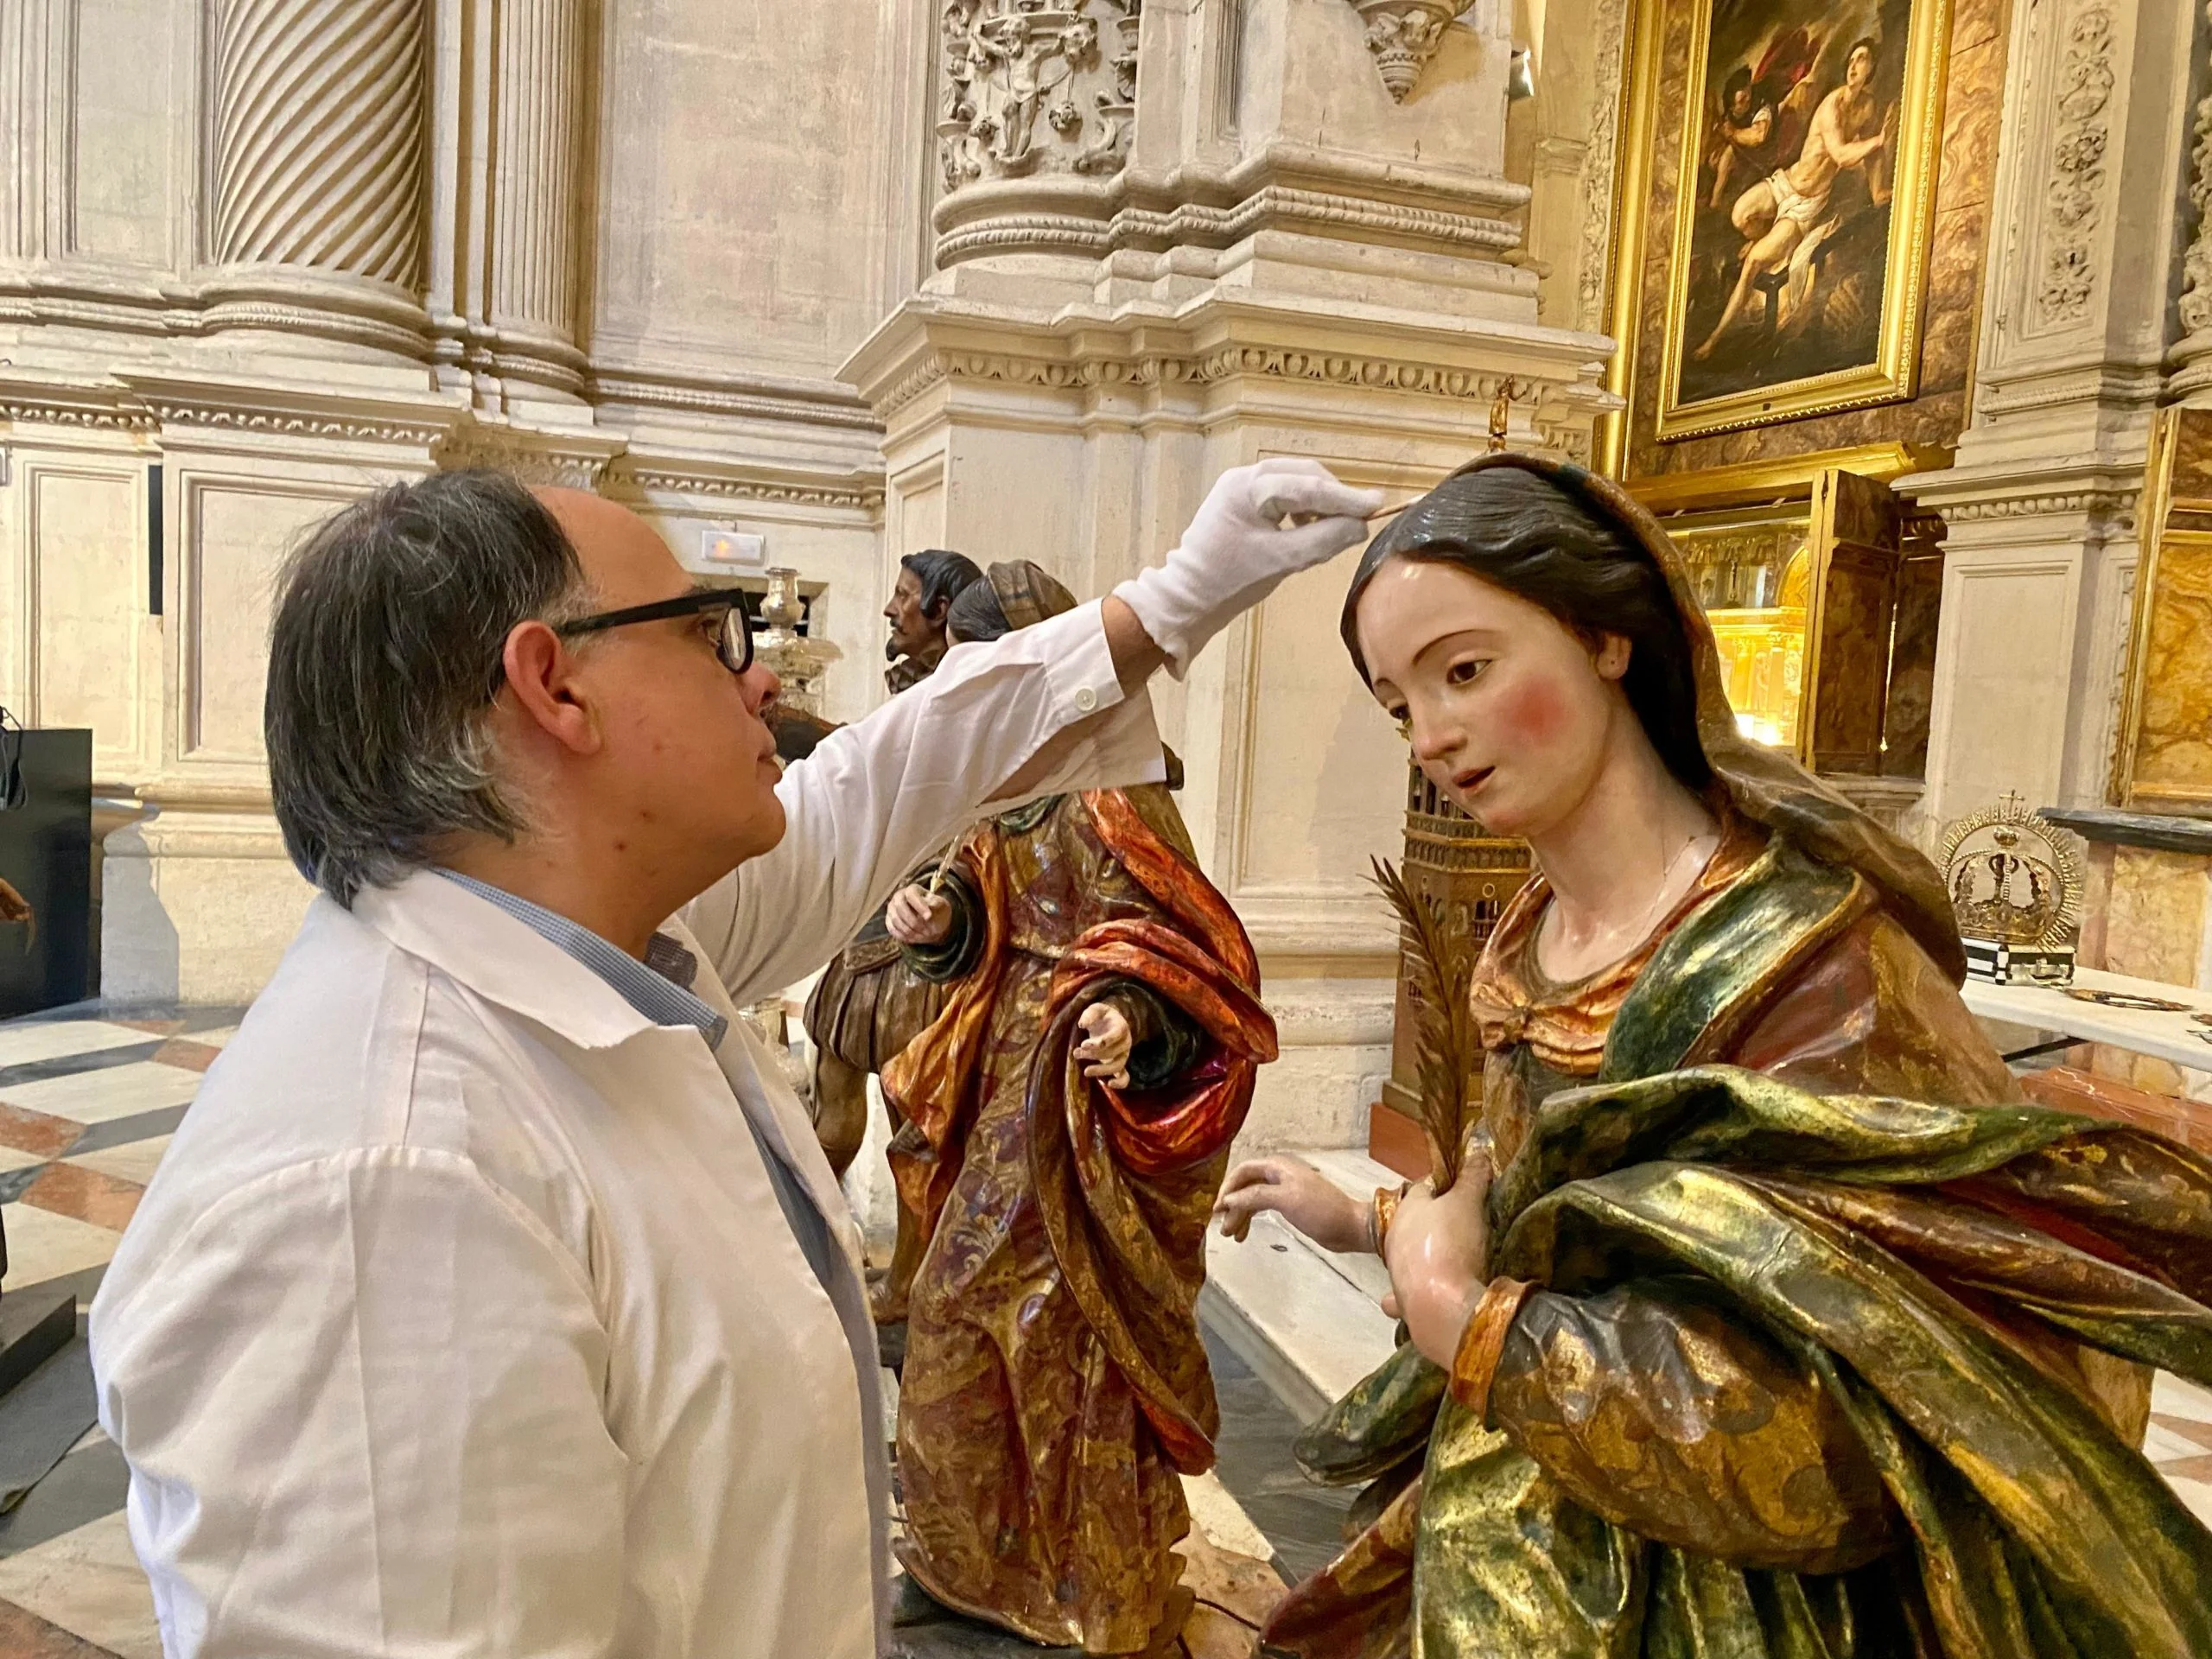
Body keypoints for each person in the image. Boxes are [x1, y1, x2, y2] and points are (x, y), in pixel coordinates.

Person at [88, 458, 1381, 1659]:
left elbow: (880, 783)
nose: (761, 679)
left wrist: (1175, 599)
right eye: (714, 636)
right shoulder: (379, 1193)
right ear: (555, 686)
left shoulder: (619, 928)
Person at [1214, 454, 2212, 1658]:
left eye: (1466, 671)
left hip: (1730, 1600)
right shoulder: (1529, 941)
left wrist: (1459, 1314)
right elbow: (1547, 1206)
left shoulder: (1815, 970)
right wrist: (1379, 1222)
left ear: (1609, 639)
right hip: (1521, 1519)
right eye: (1400, 704)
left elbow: (1854, 1425)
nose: (1432, 736)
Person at [877, 558, 1277, 1654]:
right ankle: (963, 1565)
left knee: (1060, 1333)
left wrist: (1129, 1018)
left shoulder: (1114, 788)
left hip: (1072, 1103)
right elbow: (974, 893)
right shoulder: (1008, 784)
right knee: (957, 1315)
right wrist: (939, 915)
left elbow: (1193, 949)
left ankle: (1077, 1578)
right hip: (996, 1071)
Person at [1695, 38, 1888, 360]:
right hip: (1786, 182)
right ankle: (1766, 235)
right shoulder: (1832, 105)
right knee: (1739, 215)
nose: (1854, 66)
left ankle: (1714, 339)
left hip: (1803, 207)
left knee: (1754, 263)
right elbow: (1842, 154)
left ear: (1872, 67)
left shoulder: (1868, 108)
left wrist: (1878, 190)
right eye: (1852, 59)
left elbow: (1872, 155)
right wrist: (1879, 140)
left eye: (1863, 59)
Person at [884, 547, 984, 694]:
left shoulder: (958, 688)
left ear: (939, 610)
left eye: (902, 595)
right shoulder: (913, 679)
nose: (889, 609)